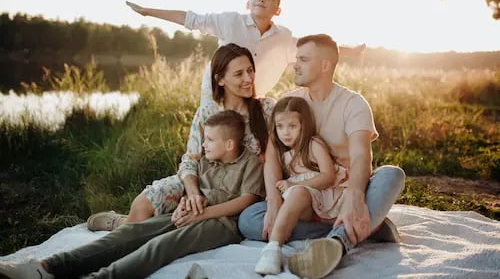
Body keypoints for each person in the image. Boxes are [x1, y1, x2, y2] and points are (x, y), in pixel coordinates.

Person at [0, 110, 266, 279]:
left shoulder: (251, 162)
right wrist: (188, 202)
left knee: (159, 246)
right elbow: (192, 184)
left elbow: (246, 201)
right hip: (190, 214)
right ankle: (48, 266)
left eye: (209, 139)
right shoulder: (207, 160)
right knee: (131, 232)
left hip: (221, 224)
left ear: (229, 144)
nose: (203, 144)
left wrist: (204, 213)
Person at [238, 34, 406, 279]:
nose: (295, 64)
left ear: (325, 65)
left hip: (344, 191)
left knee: (392, 175)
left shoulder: (353, 103)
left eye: (303, 59)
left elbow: (361, 157)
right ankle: (368, 226)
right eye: (296, 58)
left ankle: (338, 242)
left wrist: (356, 197)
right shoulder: (290, 101)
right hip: (306, 196)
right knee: (249, 220)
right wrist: (274, 201)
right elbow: (272, 157)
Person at [86, 43, 275, 231]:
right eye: (239, 73)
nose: (248, 78)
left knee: (172, 226)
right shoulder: (206, 113)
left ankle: (131, 226)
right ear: (220, 80)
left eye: (250, 70)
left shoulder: (266, 110)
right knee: (143, 205)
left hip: (241, 188)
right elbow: (190, 160)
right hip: (202, 182)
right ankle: (121, 223)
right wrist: (193, 194)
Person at [126, 0, 366, 105]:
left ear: (278, 9)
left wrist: (351, 52)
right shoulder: (229, 21)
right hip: (217, 93)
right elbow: (190, 18)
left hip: (252, 100)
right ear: (248, 2)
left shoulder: (283, 37)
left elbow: (316, 50)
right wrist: (148, 11)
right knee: (214, 140)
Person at [254, 96, 348, 275]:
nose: (285, 133)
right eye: (280, 126)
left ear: (303, 125)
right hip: (308, 207)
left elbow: (328, 176)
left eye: (292, 126)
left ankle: (273, 247)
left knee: (297, 193)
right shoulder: (285, 155)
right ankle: (273, 249)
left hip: (327, 197)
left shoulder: (314, 144)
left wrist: (294, 184)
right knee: (256, 216)